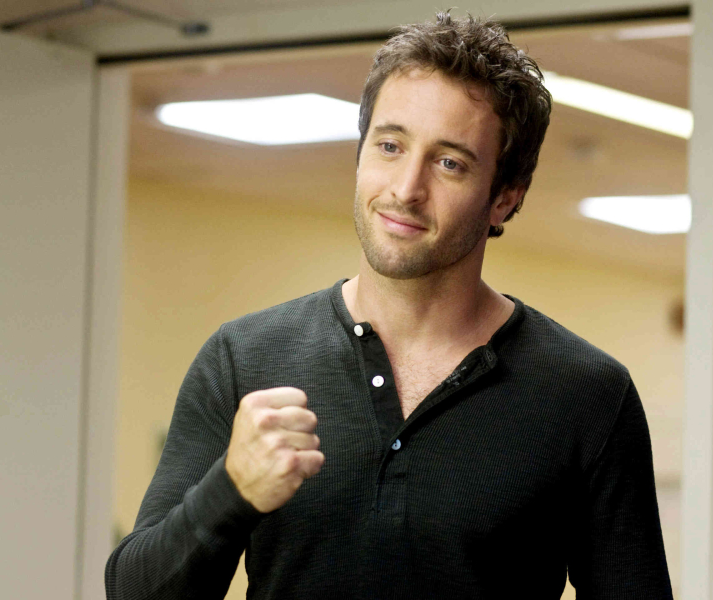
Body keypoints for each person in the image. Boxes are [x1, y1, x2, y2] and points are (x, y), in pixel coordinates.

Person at [105, 12, 674, 600]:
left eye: (449, 162)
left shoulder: (587, 395)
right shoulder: (243, 359)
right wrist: (230, 491)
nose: (406, 188)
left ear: (505, 198)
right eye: (390, 146)